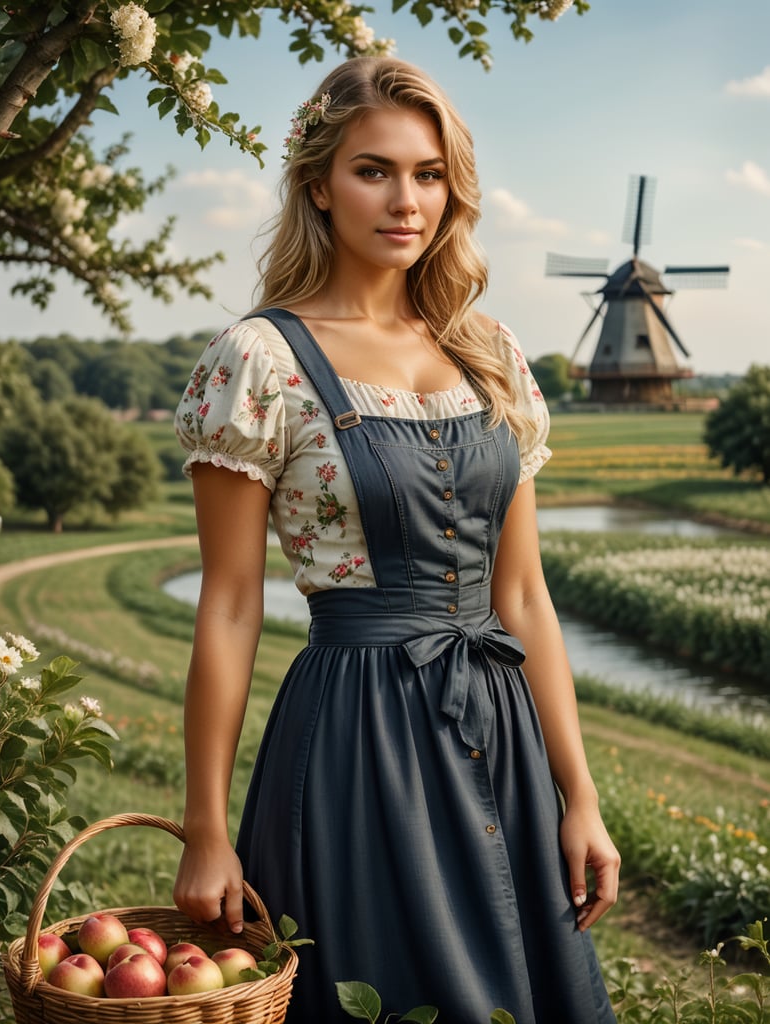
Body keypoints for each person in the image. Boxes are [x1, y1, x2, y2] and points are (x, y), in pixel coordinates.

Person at [172, 56, 620, 1024]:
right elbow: (232, 604)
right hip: (356, 737)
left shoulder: (488, 352)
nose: (405, 201)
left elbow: (524, 596)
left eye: (428, 174)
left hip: (500, 724)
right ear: (318, 185)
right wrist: (205, 827)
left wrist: (577, 793)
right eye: (373, 171)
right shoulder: (259, 360)